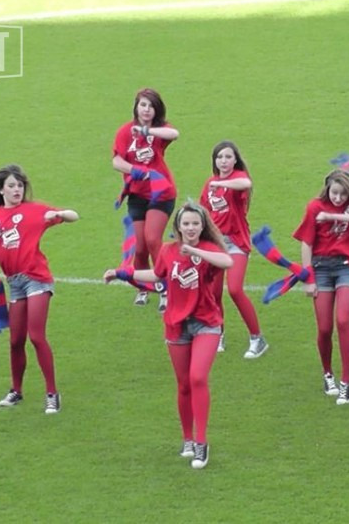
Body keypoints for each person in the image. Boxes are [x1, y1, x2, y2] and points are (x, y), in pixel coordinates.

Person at [105, 200, 232, 469]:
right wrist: (122, 273)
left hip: (206, 323)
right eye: (186, 223)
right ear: (178, 227)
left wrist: (195, 251)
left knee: (198, 377)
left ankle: (201, 443)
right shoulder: (167, 250)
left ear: (202, 226)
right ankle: (187, 439)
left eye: (195, 223)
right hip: (176, 324)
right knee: (183, 384)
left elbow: (227, 260)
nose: (191, 228)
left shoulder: (208, 249)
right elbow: (156, 274)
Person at [0, 164, 79, 414]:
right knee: (16, 340)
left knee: (36, 336)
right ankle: (16, 391)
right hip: (14, 283)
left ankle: (52, 394)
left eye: (20, 185)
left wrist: (59, 214)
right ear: (1, 190)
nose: (17, 189)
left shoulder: (34, 210)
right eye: (12, 186)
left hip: (36, 278)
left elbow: (74, 216)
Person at [294, 170, 349, 405]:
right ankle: (328, 373)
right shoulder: (314, 207)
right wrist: (309, 278)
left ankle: (346, 381)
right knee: (325, 328)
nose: (338, 198)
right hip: (320, 268)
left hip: (347, 266)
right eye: (334, 193)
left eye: (343, 194)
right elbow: (306, 243)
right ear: (327, 189)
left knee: (343, 320)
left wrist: (332, 216)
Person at [111, 88, 180, 311]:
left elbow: (174, 134)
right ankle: (143, 287)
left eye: (151, 106)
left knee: (152, 239)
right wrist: (134, 170)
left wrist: (147, 131)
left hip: (161, 193)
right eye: (143, 105)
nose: (146, 110)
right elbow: (116, 161)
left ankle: (166, 288)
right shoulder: (125, 132)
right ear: (136, 107)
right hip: (137, 195)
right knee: (140, 247)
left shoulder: (159, 131)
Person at [200, 141, 269, 359]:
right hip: (216, 244)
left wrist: (223, 183)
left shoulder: (238, 179)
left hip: (236, 242)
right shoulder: (209, 183)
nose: (224, 161)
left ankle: (257, 338)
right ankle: (218, 334)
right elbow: (204, 213)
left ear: (235, 160)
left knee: (235, 289)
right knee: (214, 293)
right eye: (219, 157)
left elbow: (245, 183)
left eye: (228, 157)